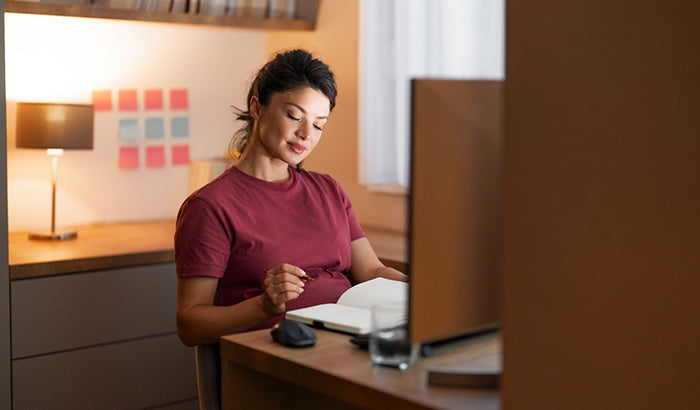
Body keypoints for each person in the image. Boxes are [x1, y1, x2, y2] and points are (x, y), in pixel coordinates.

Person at [174, 49, 406, 347]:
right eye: (294, 116)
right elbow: (190, 324)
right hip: (276, 356)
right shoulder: (210, 207)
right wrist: (264, 305)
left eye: (319, 124)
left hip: (347, 343)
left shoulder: (328, 190)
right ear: (256, 107)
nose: (306, 133)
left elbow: (372, 271)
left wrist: (427, 293)